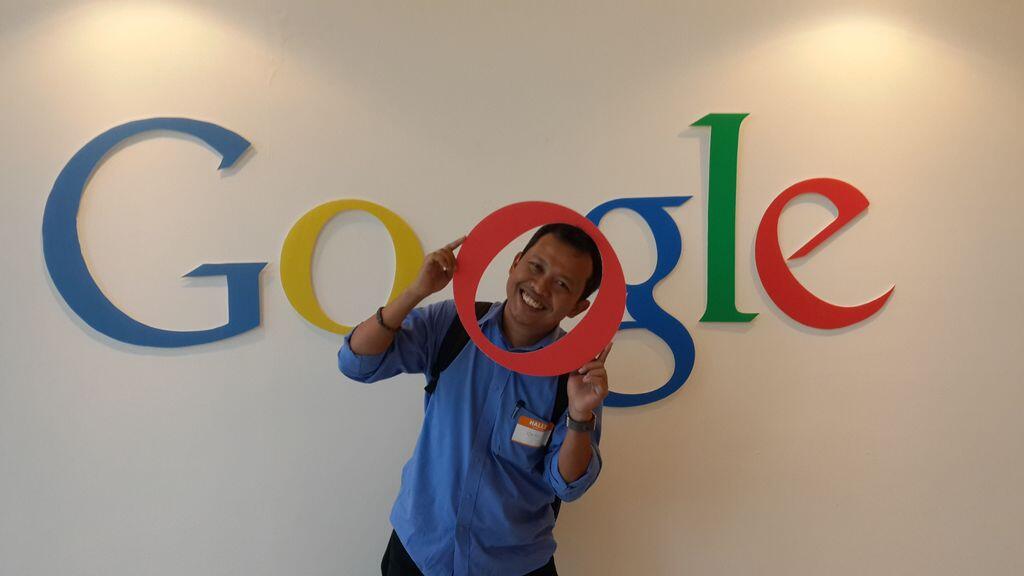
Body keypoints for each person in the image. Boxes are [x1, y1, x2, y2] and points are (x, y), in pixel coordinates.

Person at [338, 223, 614, 576]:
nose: (540, 287)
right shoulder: (454, 324)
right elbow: (356, 363)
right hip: (419, 552)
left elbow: (568, 485)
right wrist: (416, 291)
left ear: (578, 306)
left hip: (512, 565)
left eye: (562, 284)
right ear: (515, 263)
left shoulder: (576, 375)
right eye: (536, 266)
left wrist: (579, 415)